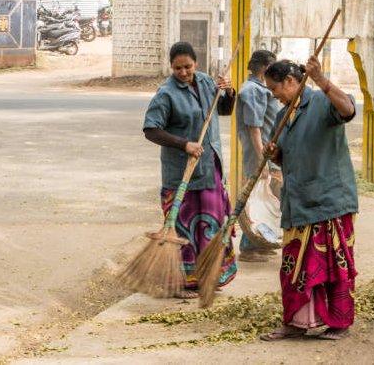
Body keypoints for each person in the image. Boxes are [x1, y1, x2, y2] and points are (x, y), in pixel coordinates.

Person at [260, 58, 358, 341]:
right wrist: (274, 154)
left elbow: (348, 109)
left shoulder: (322, 102)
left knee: (334, 267)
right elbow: (285, 155)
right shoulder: (281, 118)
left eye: (275, 88)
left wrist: (322, 80)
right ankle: (295, 322)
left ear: (291, 82)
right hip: (298, 203)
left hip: (329, 201)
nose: (273, 94)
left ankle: (339, 322)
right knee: (293, 266)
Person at [143, 42, 237, 299]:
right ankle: (183, 282)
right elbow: (151, 129)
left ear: (196, 63)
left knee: (212, 225)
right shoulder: (166, 94)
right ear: (171, 67)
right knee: (183, 230)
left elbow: (225, 111)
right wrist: (184, 144)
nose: (183, 72)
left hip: (210, 169)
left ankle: (209, 275)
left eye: (188, 67)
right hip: (181, 174)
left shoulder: (208, 83)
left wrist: (228, 92)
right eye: (178, 68)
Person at [236, 50, 282, 262]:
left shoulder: (261, 88)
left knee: (267, 198)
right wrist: (261, 159)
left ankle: (261, 242)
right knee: (255, 199)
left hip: (267, 151)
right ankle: (249, 246)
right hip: (259, 153)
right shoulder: (252, 91)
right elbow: (254, 127)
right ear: (264, 67)